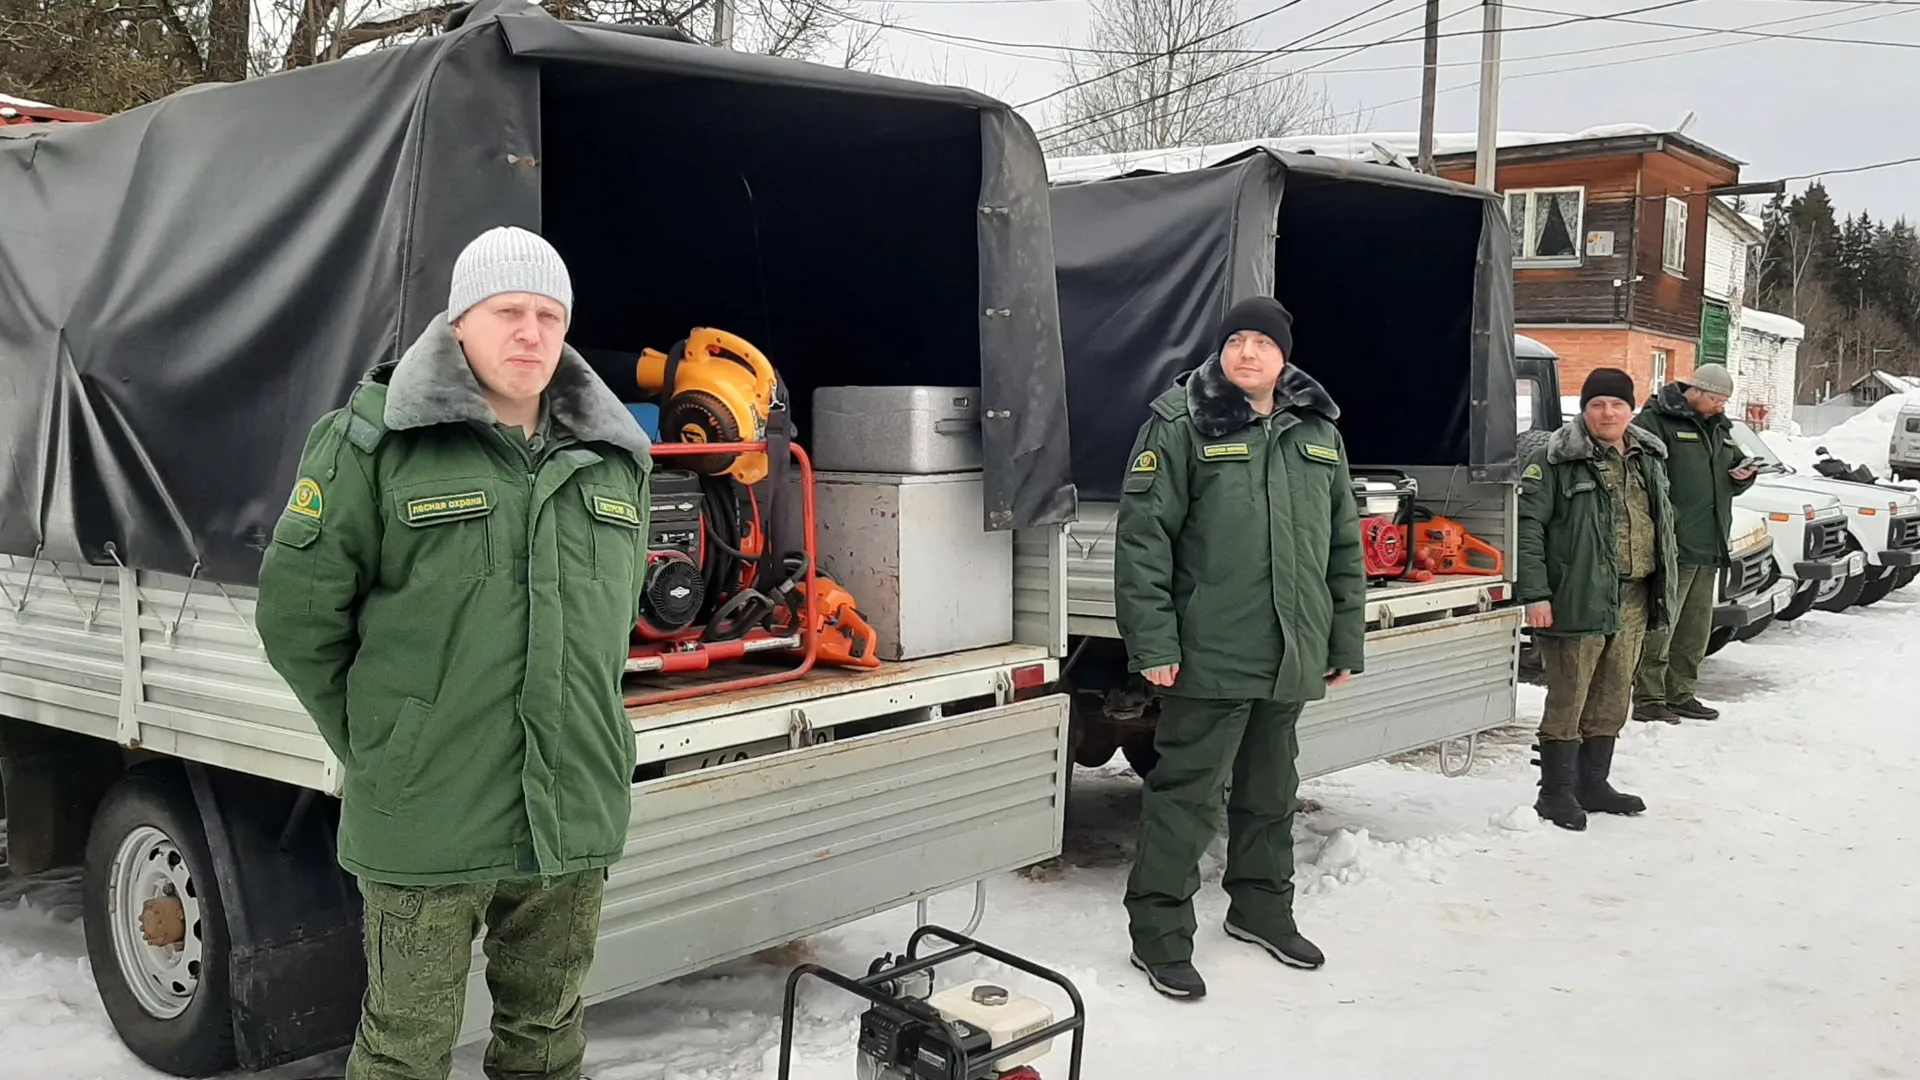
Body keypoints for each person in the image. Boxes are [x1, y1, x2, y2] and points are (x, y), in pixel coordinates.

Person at [256, 226, 653, 1080]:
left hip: (569, 815)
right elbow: (298, 618)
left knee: (547, 1044)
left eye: (550, 315)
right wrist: (386, 742)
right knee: (405, 1051)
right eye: (508, 310)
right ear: (460, 321)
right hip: (425, 817)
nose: (531, 333)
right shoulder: (373, 441)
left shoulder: (617, 460)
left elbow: (610, 628)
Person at [1112, 296, 1367, 1001]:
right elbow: (1143, 544)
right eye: (1235, 341)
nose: (1246, 352)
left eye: (1262, 342)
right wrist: (1154, 641)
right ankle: (1159, 938)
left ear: (1284, 356)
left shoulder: (1318, 430)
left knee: (1270, 793)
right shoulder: (1180, 423)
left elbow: (1342, 542)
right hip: (1209, 652)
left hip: (1291, 650)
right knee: (1186, 799)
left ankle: (1261, 912)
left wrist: (1342, 636)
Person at [1516, 367, 1679, 832]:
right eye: (1597, 404)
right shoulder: (1555, 461)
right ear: (1584, 409)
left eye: (1618, 404)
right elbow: (1529, 529)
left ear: (1632, 409)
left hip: (1632, 595)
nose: (1608, 412)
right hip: (1576, 595)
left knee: (1611, 697)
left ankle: (1594, 784)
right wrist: (1536, 594)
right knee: (1569, 696)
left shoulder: (1648, 456)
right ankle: (1556, 793)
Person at [1630, 363, 1758, 723]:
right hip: (1674, 545)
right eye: (1717, 399)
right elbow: (1639, 478)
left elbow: (1729, 473)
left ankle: (1681, 693)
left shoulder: (1720, 427)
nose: (1721, 406)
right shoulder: (1656, 422)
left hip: (1709, 544)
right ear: (1696, 391)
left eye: (1725, 401)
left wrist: (1743, 476)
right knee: (1662, 625)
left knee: (1695, 628)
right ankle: (1649, 698)